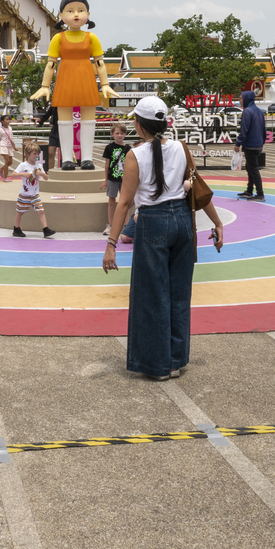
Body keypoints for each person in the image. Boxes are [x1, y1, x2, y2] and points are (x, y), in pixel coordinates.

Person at [103, 97, 225, 380]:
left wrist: (111, 244)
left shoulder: (135, 155)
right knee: (179, 294)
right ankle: (175, 361)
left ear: (139, 125)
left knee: (152, 295)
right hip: (183, 222)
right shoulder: (181, 148)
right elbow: (198, 189)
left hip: (153, 223)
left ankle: (157, 365)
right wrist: (217, 222)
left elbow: (124, 203)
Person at [30, 0, 118, 171]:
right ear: (61, 16)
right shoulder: (58, 38)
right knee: (64, 121)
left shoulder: (91, 38)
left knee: (88, 120)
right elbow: (50, 64)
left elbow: (100, 63)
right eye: (70, 11)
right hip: (65, 81)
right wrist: (44, 86)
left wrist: (105, 84)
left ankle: (87, 158)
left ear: (88, 15)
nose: (76, 14)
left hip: (86, 81)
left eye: (81, 10)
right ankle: (67, 159)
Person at [11, 141, 55, 238]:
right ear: (27, 154)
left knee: (41, 211)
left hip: (35, 194)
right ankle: (16, 228)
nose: (36, 155)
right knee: (20, 212)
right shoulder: (23, 165)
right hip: (25, 194)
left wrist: (42, 174)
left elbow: (46, 178)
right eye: (34, 153)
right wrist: (22, 174)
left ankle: (45, 229)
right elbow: (13, 174)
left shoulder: (39, 166)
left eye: (37, 154)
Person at [233, 88, 266, 202]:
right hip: (258, 144)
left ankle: (260, 194)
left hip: (250, 145)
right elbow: (264, 130)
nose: (240, 100)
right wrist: (262, 142)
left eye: (241, 98)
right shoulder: (259, 111)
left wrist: (238, 143)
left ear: (247, 99)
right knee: (250, 168)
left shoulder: (247, 111)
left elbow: (244, 130)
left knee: (253, 169)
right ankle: (249, 190)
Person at [101, 121, 131, 236]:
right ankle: (110, 224)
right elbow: (107, 165)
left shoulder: (128, 148)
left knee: (124, 202)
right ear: (113, 134)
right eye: (117, 133)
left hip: (124, 179)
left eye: (122, 133)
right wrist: (106, 180)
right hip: (112, 178)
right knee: (111, 201)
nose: (119, 135)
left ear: (125, 134)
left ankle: (126, 225)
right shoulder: (109, 147)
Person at [0, 114, 16, 180]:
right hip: (3, 146)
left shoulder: (10, 128)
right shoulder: (0, 130)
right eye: (6, 119)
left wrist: (14, 146)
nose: (8, 121)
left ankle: (0, 169)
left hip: (9, 146)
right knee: (7, 161)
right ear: (2, 121)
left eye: (8, 119)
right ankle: (5, 177)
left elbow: (10, 138)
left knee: (10, 162)